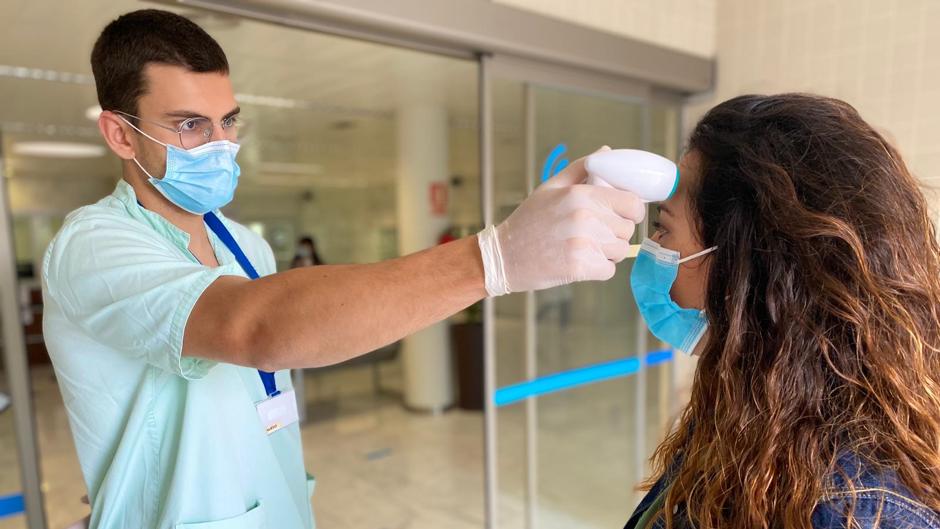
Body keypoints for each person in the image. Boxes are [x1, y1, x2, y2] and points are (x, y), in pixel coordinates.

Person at [40, 9, 644, 529]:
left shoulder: (247, 245)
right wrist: (495, 257)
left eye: (228, 122)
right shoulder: (92, 245)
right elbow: (255, 327)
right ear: (121, 134)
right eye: (190, 125)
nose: (220, 145)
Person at [625, 94, 940, 528]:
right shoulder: (756, 416)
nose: (650, 248)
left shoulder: (854, 511)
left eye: (663, 227)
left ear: (745, 265)